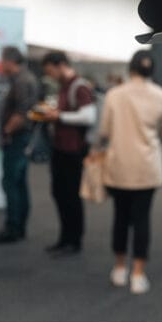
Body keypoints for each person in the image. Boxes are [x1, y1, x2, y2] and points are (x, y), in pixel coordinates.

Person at [97, 50, 162, 294]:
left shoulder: (114, 95)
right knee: (142, 219)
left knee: (120, 216)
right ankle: (138, 274)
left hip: (119, 164)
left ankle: (119, 268)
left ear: (131, 69)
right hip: (147, 166)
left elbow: (105, 131)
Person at [40, 51, 96, 257]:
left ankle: (74, 240)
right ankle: (65, 238)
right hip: (60, 148)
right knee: (60, 194)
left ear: (61, 65)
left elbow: (88, 116)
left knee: (71, 196)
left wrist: (59, 116)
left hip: (73, 150)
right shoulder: (65, 86)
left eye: (50, 71)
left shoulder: (79, 86)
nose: (50, 75)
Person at [0, 46, 39, 244]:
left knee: (11, 182)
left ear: (11, 61)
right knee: (18, 182)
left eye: (2, 60)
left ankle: (13, 226)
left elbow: (22, 112)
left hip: (17, 139)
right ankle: (17, 226)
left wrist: (8, 131)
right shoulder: (23, 79)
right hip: (19, 138)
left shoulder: (22, 81)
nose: (0, 64)